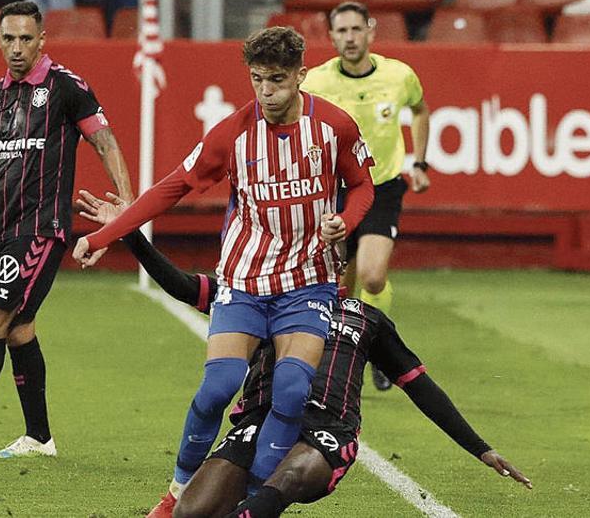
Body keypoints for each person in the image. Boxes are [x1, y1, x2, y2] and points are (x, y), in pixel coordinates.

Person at [73, 191, 532, 518]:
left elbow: (421, 388)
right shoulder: (258, 295)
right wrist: (130, 232)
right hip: (259, 418)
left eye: (330, 246)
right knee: (193, 510)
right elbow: (182, 285)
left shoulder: (367, 319)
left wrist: (481, 449)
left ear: (341, 258)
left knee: (289, 478)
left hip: (328, 433)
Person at [72, 26, 374, 513]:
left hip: (307, 282)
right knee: (217, 389)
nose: (266, 91)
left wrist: (345, 220)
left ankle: (252, 503)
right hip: (245, 282)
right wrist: (103, 236)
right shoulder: (232, 132)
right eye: (257, 79)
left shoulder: (334, 126)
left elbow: (362, 185)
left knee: (293, 390)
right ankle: (174, 495)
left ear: (301, 74)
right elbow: (171, 187)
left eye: (276, 79)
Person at [0, 0, 134, 460]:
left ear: (42, 40)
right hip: (2, 230)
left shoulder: (67, 89)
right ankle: (39, 437)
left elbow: (105, 141)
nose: (17, 48)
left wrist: (127, 202)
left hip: (43, 227)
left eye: (26, 38)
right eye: (8, 38)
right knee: (18, 328)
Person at [301, 2, 431, 391]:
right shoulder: (316, 83)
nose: (350, 38)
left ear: (370, 32)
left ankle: (377, 349)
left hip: (383, 186)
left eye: (356, 29)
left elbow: (421, 110)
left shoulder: (399, 75)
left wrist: (420, 163)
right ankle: (339, 351)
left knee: (373, 278)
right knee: (339, 282)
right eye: (342, 31)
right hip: (335, 189)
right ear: (332, 36)